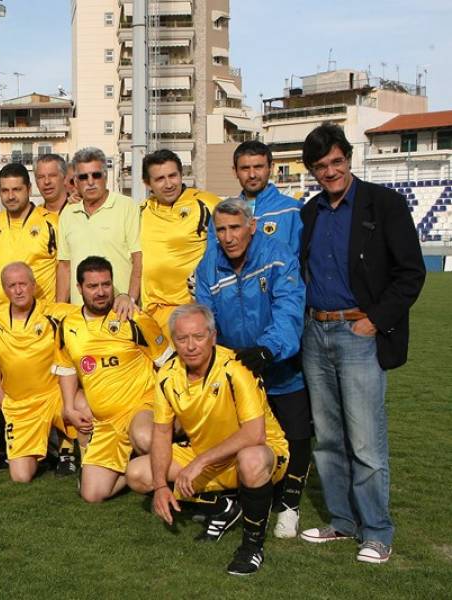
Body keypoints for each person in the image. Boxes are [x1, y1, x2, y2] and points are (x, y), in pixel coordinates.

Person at [298, 123, 425, 564]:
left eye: (336, 162)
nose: (330, 172)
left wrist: (374, 321)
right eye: (320, 166)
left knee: (366, 442)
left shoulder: (384, 204)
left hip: (358, 333)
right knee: (328, 439)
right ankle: (342, 521)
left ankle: (376, 532)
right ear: (312, 171)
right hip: (315, 333)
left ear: (348, 158)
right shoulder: (311, 211)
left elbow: (411, 273)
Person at [139, 304, 289, 576]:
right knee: (139, 473)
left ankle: (252, 546)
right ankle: (224, 506)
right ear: (174, 341)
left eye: (198, 336)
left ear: (213, 336)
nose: (191, 346)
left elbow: (255, 434)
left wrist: (200, 461)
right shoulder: (167, 376)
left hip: (262, 453)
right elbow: (161, 432)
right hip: (209, 456)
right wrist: (160, 485)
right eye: (182, 339)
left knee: (251, 458)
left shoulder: (236, 368)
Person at [194, 198, 310, 538]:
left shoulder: (278, 256)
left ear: (252, 226)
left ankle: (289, 504)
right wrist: (218, 360)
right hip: (239, 372)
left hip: (280, 365)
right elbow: (205, 318)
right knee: (244, 440)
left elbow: (289, 309)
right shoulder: (208, 266)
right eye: (221, 230)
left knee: (296, 435)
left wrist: (268, 349)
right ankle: (245, 499)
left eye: (235, 228)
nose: (228, 237)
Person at [53, 256, 171, 503]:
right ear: (79, 289)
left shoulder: (134, 318)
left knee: (144, 437)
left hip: (142, 407)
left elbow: (169, 364)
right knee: (92, 494)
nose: (100, 292)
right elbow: (66, 369)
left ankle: (182, 460)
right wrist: (68, 408)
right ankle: (135, 471)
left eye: (106, 285)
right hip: (106, 422)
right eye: (92, 286)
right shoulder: (68, 326)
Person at [0, 262, 78, 482]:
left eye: (23, 284)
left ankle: (68, 449)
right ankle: (44, 448)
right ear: (4, 289)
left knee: (82, 406)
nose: (18, 290)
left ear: (34, 285)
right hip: (20, 406)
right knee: (20, 476)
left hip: (54, 396)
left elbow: (93, 310)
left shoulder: (55, 313)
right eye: (12, 285)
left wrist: (122, 299)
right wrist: (1, 398)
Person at [139, 149, 220, 338]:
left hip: (192, 314)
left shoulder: (205, 203)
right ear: (147, 183)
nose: (168, 184)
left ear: (181, 175)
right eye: (159, 179)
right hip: (151, 316)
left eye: (173, 176)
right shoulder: (140, 211)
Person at [56, 147, 141, 324]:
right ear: (75, 182)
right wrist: (60, 312)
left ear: (106, 176)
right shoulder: (67, 213)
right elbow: (64, 266)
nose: (90, 182)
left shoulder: (127, 207)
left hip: (120, 313)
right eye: (83, 177)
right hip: (80, 317)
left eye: (96, 175)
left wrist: (130, 299)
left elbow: (138, 260)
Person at [0, 163, 58, 310]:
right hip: (2, 316)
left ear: (29, 189)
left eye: (17, 190)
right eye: (5, 191)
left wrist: (59, 309)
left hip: (41, 316)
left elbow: (64, 269)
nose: (10, 196)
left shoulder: (51, 223)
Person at [232, 140, 302, 254]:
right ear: (235, 171)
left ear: (271, 167)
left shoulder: (293, 211)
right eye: (245, 168)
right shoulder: (224, 214)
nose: (252, 175)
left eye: (258, 167)